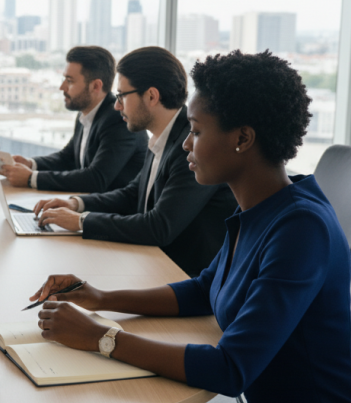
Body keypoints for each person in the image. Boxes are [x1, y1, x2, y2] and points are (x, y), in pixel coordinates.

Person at [31, 50, 351, 403]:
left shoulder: (302, 229)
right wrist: (99, 297)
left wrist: (103, 339)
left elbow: (231, 369)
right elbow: (203, 289)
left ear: (242, 138)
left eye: (197, 132)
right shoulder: (258, 209)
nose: (185, 144)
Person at [33, 47, 236, 276]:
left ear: (151, 96)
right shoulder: (163, 136)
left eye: (121, 96)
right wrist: (76, 204)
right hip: (152, 264)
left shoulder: (191, 145)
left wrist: (81, 221)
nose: (117, 105)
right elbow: (132, 194)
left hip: (183, 279)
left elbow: (159, 227)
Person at [0, 46, 146, 192]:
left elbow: (96, 179)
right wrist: (30, 164)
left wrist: (30, 178)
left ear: (96, 86)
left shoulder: (119, 120)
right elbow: (67, 158)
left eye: (69, 81)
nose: (62, 87)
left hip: (113, 215)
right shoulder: (86, 114)